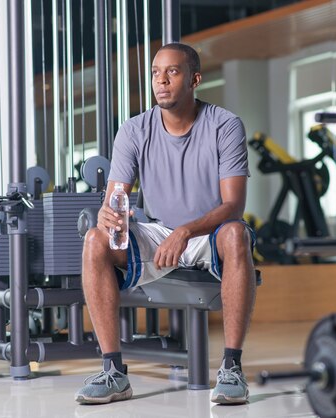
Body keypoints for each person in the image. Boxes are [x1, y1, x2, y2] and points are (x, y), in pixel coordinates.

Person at [75, 42, 257, 405]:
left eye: (172, 72)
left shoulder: (225, 125)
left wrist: (187, 231)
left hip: (209, 233)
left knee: (237, 234)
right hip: (158, 231)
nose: (161, 81)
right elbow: (116, 198)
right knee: (95, 240)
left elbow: (234, 205)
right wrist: (107, 214)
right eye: (156, 73)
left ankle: (232, 368)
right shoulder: (134, 129)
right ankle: (113, 372)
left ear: (194, 79)